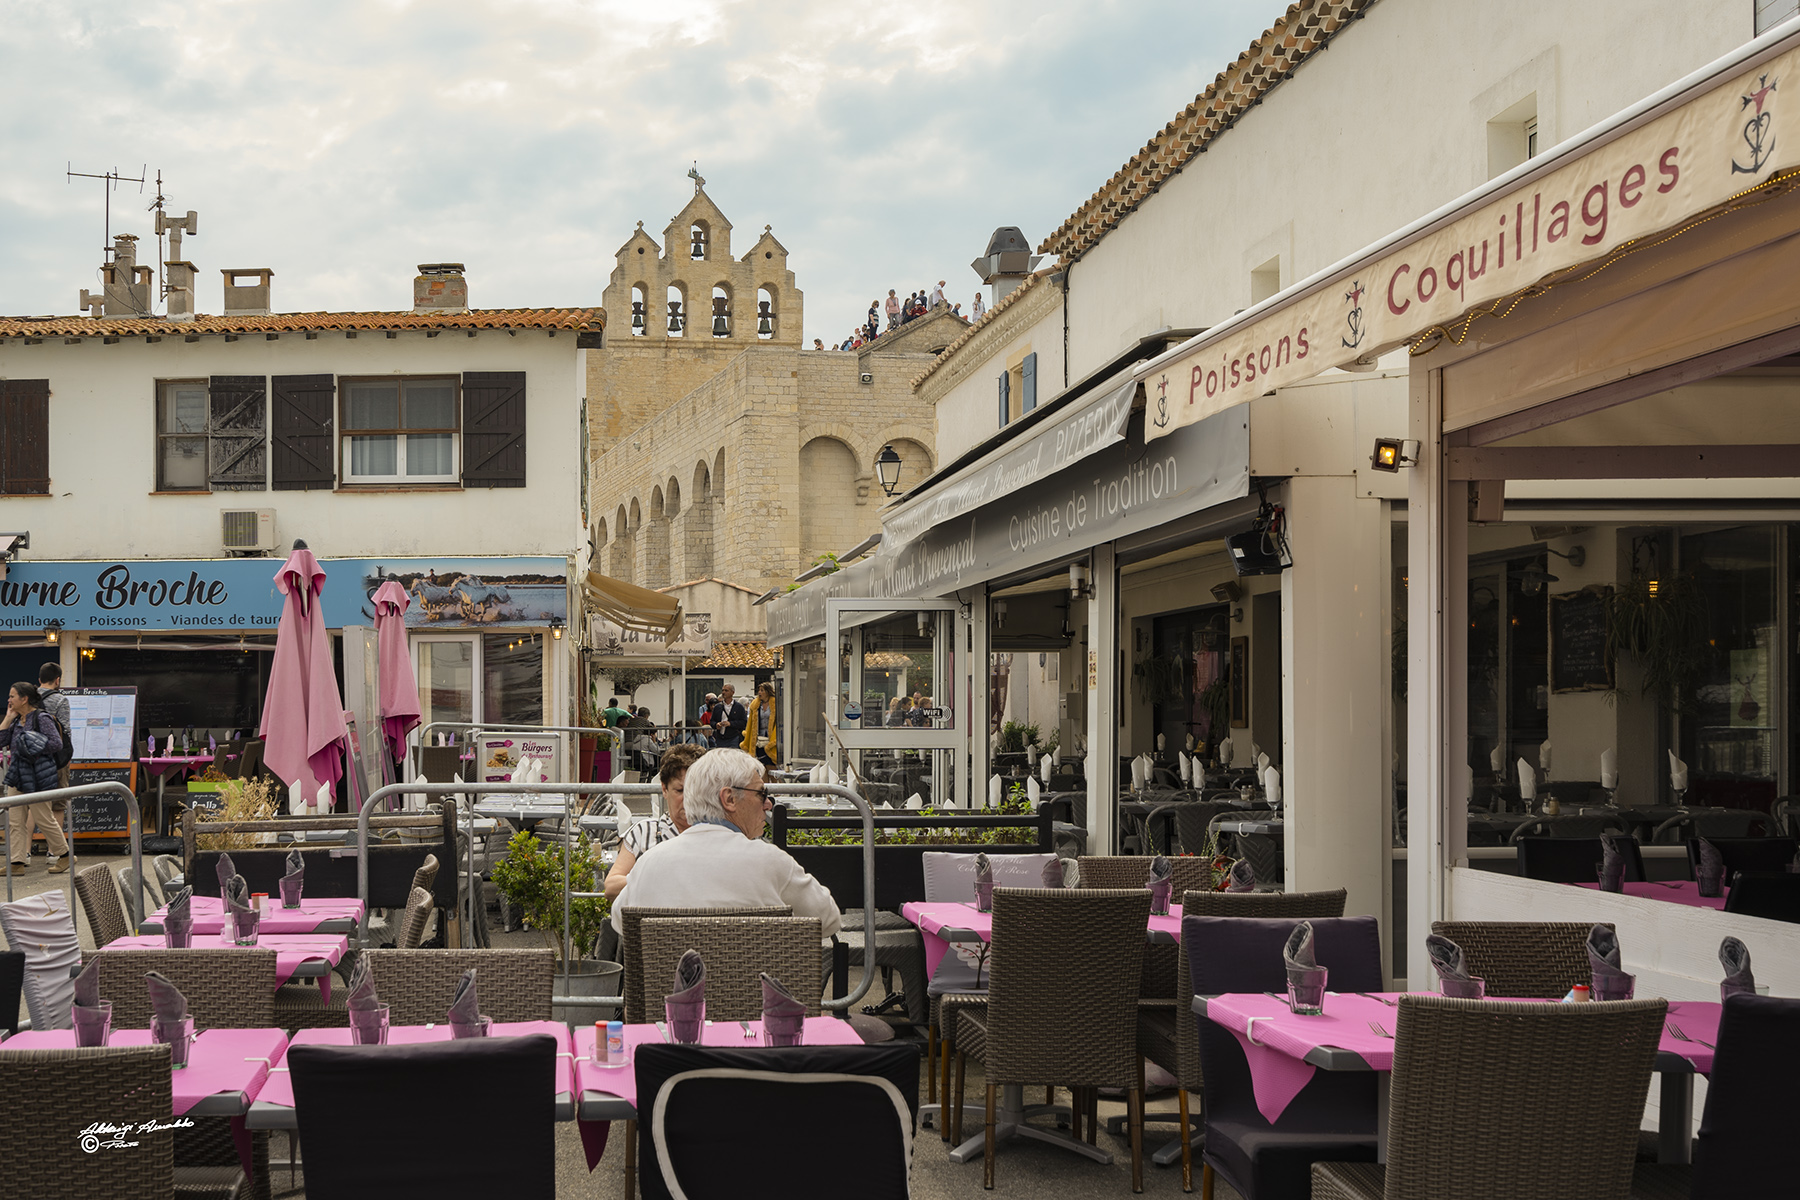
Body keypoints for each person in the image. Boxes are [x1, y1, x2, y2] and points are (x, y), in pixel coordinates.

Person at [610, 749, 840, 937]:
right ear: (729, 799)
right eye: (761, 793)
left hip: (671, 993)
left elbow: (620, 923)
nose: (768, 804)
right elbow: (828, 921)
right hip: (752, 992)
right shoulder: (771, 862)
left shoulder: (650, 862)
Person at [602, 742, 704, 901]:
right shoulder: (644, 832)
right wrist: (658, 878)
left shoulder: (718, 831)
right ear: (664, 789)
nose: (689, 798)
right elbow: (611, 887)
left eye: (696, 790)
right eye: (680, 790)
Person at [2, 682, 69, 875]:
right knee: (15, 820)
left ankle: (64, 855)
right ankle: (16, 862)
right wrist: (7, 718)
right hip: (18, 775)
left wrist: (31, 742)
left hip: (38, 775)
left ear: (24, 699)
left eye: (12, 696)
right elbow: (1, 741)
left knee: (43, 817)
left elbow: (56, 743)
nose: (9, 700)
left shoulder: (42, 718)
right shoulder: (16, 719)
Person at [741, 682, 778, 767]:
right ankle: (764, 780)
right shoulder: (755, 705)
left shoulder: (775, 704)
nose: (759, 692)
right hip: (758, 739)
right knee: (761, 766)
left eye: (762, 690)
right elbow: (750, 722)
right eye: (759, 690)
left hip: (771, 738)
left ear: (768, 692)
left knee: (771, 766)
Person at [715, 684, 748, 749]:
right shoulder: (717, 707)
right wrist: (716, 724)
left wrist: (730, 724)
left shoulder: (739, 707)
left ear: (732, 693)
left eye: (726, 690)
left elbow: (743, 722)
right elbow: (712, 721)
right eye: (723, 690)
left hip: (733, 738)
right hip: (720, 738)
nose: (723, 692)